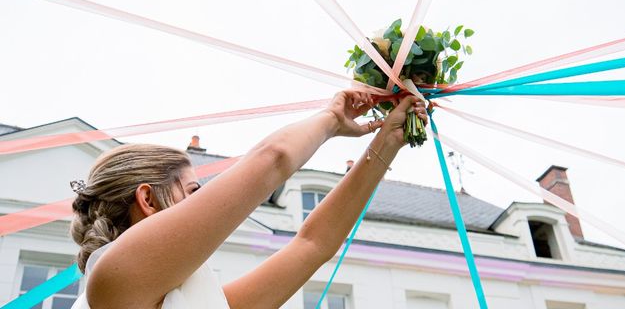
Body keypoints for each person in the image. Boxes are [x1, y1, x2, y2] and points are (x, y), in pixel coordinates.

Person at [69, 91, 427, 309]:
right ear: (147, 198)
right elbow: (271, 160)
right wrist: (332, 118)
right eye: (192, 192)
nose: (205, 201)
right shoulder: (113, 282)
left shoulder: (197, 301)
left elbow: (313, 244)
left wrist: (388, 140)